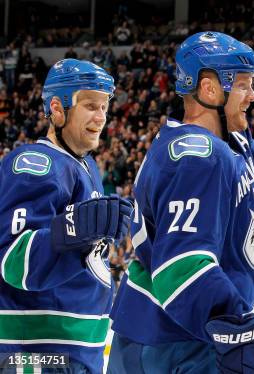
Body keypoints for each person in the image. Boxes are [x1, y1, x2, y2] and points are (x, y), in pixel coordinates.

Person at [108, 31, 254, 373]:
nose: (251, 96)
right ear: (209, 88)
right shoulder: (198, 155)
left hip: (186, 335)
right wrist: (239, 333)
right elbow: (183, 265)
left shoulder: (233, 146)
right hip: (178, 341)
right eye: (243, 85)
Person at [0, 59, 133, 373]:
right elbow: (15, 261)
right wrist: (79, 228)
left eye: (104, 107)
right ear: (57, 109)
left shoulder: (87, 168)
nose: (101, 117)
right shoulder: (36, 163)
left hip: (74, 354)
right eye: (90, 106)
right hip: (38, 354)